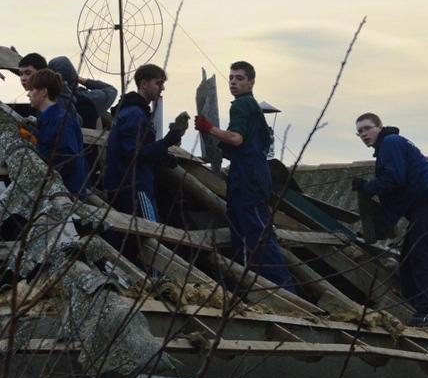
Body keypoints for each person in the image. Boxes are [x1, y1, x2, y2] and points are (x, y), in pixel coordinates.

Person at [194, 61, 294, 292]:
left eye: (239, 78)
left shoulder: (242, 106)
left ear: (251, 82)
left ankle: (285, 291)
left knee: (256, 232)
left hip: (248, 175)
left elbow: (236, 138)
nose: (233, 82)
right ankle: (246, 288)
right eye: (231, 78)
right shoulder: (251, 108)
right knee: (240, 229)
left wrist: (209, 128)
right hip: (249, 173)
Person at [351, 113, 428, 327]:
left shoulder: (391, 142)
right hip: (421, 205)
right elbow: (395, 191)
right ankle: (419, 309)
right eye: (359, 132)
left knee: (421, 255)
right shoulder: (387, 148)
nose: (363, 134)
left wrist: (368, 187)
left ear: (380, 127)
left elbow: (394, 179)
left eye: (367, 128)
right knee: (408, 260)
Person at [103, 64, 186, 221]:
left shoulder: (135, 112)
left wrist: (162, 158)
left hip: (130, 184)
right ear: (143, 84)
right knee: (150, 230)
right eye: (158, 83)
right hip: (133, 186)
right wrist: (166, 142)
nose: (162, 88)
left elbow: (140, 149)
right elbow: (133, 153)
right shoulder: (135, 114)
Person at [28, 68, 88, 197]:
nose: (29, 94)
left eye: (32, 89)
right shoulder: (49, 118)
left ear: (44, 92)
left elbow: (67, 159)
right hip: (58, 191)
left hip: (67, 194)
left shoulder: (61, 120)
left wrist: (35, 144)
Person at [47, 56, 117, 129]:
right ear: (73, 75)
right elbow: (111, 90)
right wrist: (83, 80)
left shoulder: (45, 100)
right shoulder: (88, 99)